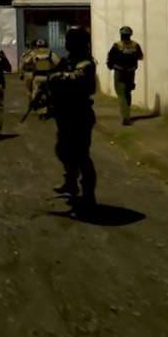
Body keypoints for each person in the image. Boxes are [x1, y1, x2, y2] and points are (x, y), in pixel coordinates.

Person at [50, 27, 97, 210]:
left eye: (70, 40)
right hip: (65, 114)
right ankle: (70, 182)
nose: (66, 43)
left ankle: (88, 193)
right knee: (63, 150)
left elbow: (77, 80)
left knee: (81, 155)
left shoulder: (86, 62)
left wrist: (58, 77)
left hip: (80, 115)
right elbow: (52, 80)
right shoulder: (67, 60)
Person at [107, 25, 144, 126]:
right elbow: (140, 57)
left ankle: (126, 117)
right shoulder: (135, 45)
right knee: (127, 92)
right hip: (131, 72)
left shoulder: (117, 45)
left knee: (121, 94)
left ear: (121, 35)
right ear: (130, 35)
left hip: (119, 72)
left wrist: (111, 66)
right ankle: (127, 113)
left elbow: (110, 58)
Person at [22, 38, 60, 116]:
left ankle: (34, 105)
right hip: (48, 77)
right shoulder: (51, 53)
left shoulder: (33, 53)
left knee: (35, 91)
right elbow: (58, 63)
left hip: (37, 77)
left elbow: (26, 61)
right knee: (52, 92)